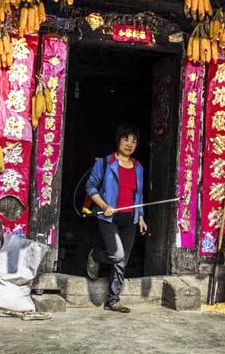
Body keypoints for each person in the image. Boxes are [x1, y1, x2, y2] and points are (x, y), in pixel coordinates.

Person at [85, 124, 148, 313]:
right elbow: (90, 186)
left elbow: (139, 194)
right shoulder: (105, 162)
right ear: (118, 140)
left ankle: (113, 300)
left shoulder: (138, 167)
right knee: (117, 255)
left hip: (130, 218)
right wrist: (104, 206)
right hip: (108, 217)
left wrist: (141, 216)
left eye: (134, 141)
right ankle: (95, 255)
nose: (129, 144)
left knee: (122, 262)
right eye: (126, 139)